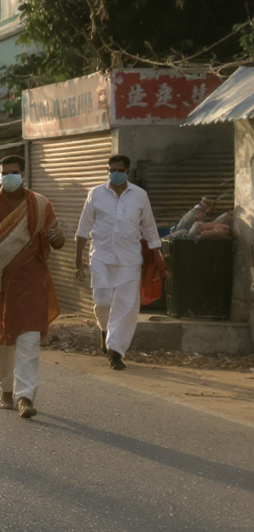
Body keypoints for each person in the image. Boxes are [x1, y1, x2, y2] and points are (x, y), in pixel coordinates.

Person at [0, 156, 63, 419]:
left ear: (23, 174)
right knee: (0, 344)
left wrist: (57, 238)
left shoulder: (40, 205)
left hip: (32, 284)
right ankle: (6, 391)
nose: (9, 177)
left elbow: (57, 240)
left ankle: (25, 397)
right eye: (4, 173)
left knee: (29, 341)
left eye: (14, 172)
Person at [76, 154, 164, 371]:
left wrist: (158, 258)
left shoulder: (140, 196)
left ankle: (115, 352)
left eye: (119, 170)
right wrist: (78, 260)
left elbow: (150, 230)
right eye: (111, 169)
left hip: (130, 259)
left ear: (127, 171)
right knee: (103, 301)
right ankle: (105, 330)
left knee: (125, 306)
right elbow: (83, 228)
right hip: (101, 257)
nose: (115, 173)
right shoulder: (95, 194)